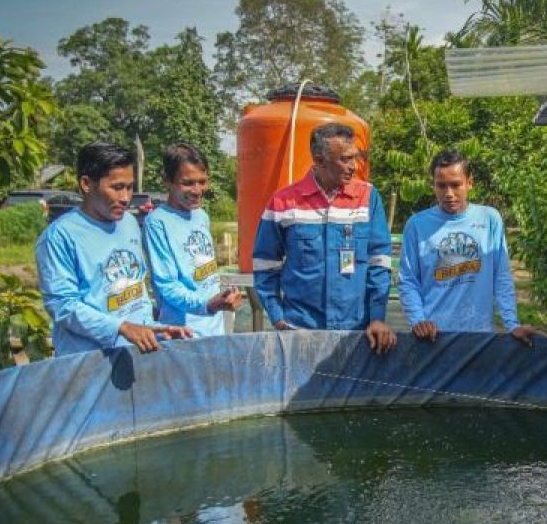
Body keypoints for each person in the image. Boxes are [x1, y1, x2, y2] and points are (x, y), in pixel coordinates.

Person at [252, 122, 396, 354]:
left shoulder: (368, 197)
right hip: (300, 330)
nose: (354, 166)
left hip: (356, 330)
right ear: (319, 160)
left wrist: (377, 317)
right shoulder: (283, 203)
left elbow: (379, 261)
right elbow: (264, 265)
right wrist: (277, 317)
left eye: (355, 158)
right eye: (345, 160)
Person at [36, 142, 192, 356]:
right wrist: (121, 328)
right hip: (90, 362)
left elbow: (137, 286)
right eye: (117, 187)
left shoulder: (128, 223)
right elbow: (62, 306)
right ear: (86, 184)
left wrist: (153, 329)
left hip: (134, 353)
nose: (126, 198)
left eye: (129, 187)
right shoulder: (59, 237)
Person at [398, 149, 534, 346]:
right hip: (433, 338)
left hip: (479, 337)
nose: (449, 194)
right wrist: (418, 321)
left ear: (470, 182)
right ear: (432, 185)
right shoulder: (416, 225)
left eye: (456, 185)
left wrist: (512, 324)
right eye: (441, 186)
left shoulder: (489, 219)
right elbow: (408, 280)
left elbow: (501, 275)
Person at [143, 143, 243, 337]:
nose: (197, 190)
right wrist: (207, 304)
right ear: (167, 181)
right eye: (188, 183)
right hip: (183, 332)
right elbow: (167, 286)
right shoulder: (157, 223)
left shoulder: (201, 215)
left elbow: (206, 273)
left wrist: (224, 298)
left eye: (202, 181)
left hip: (214, 327)